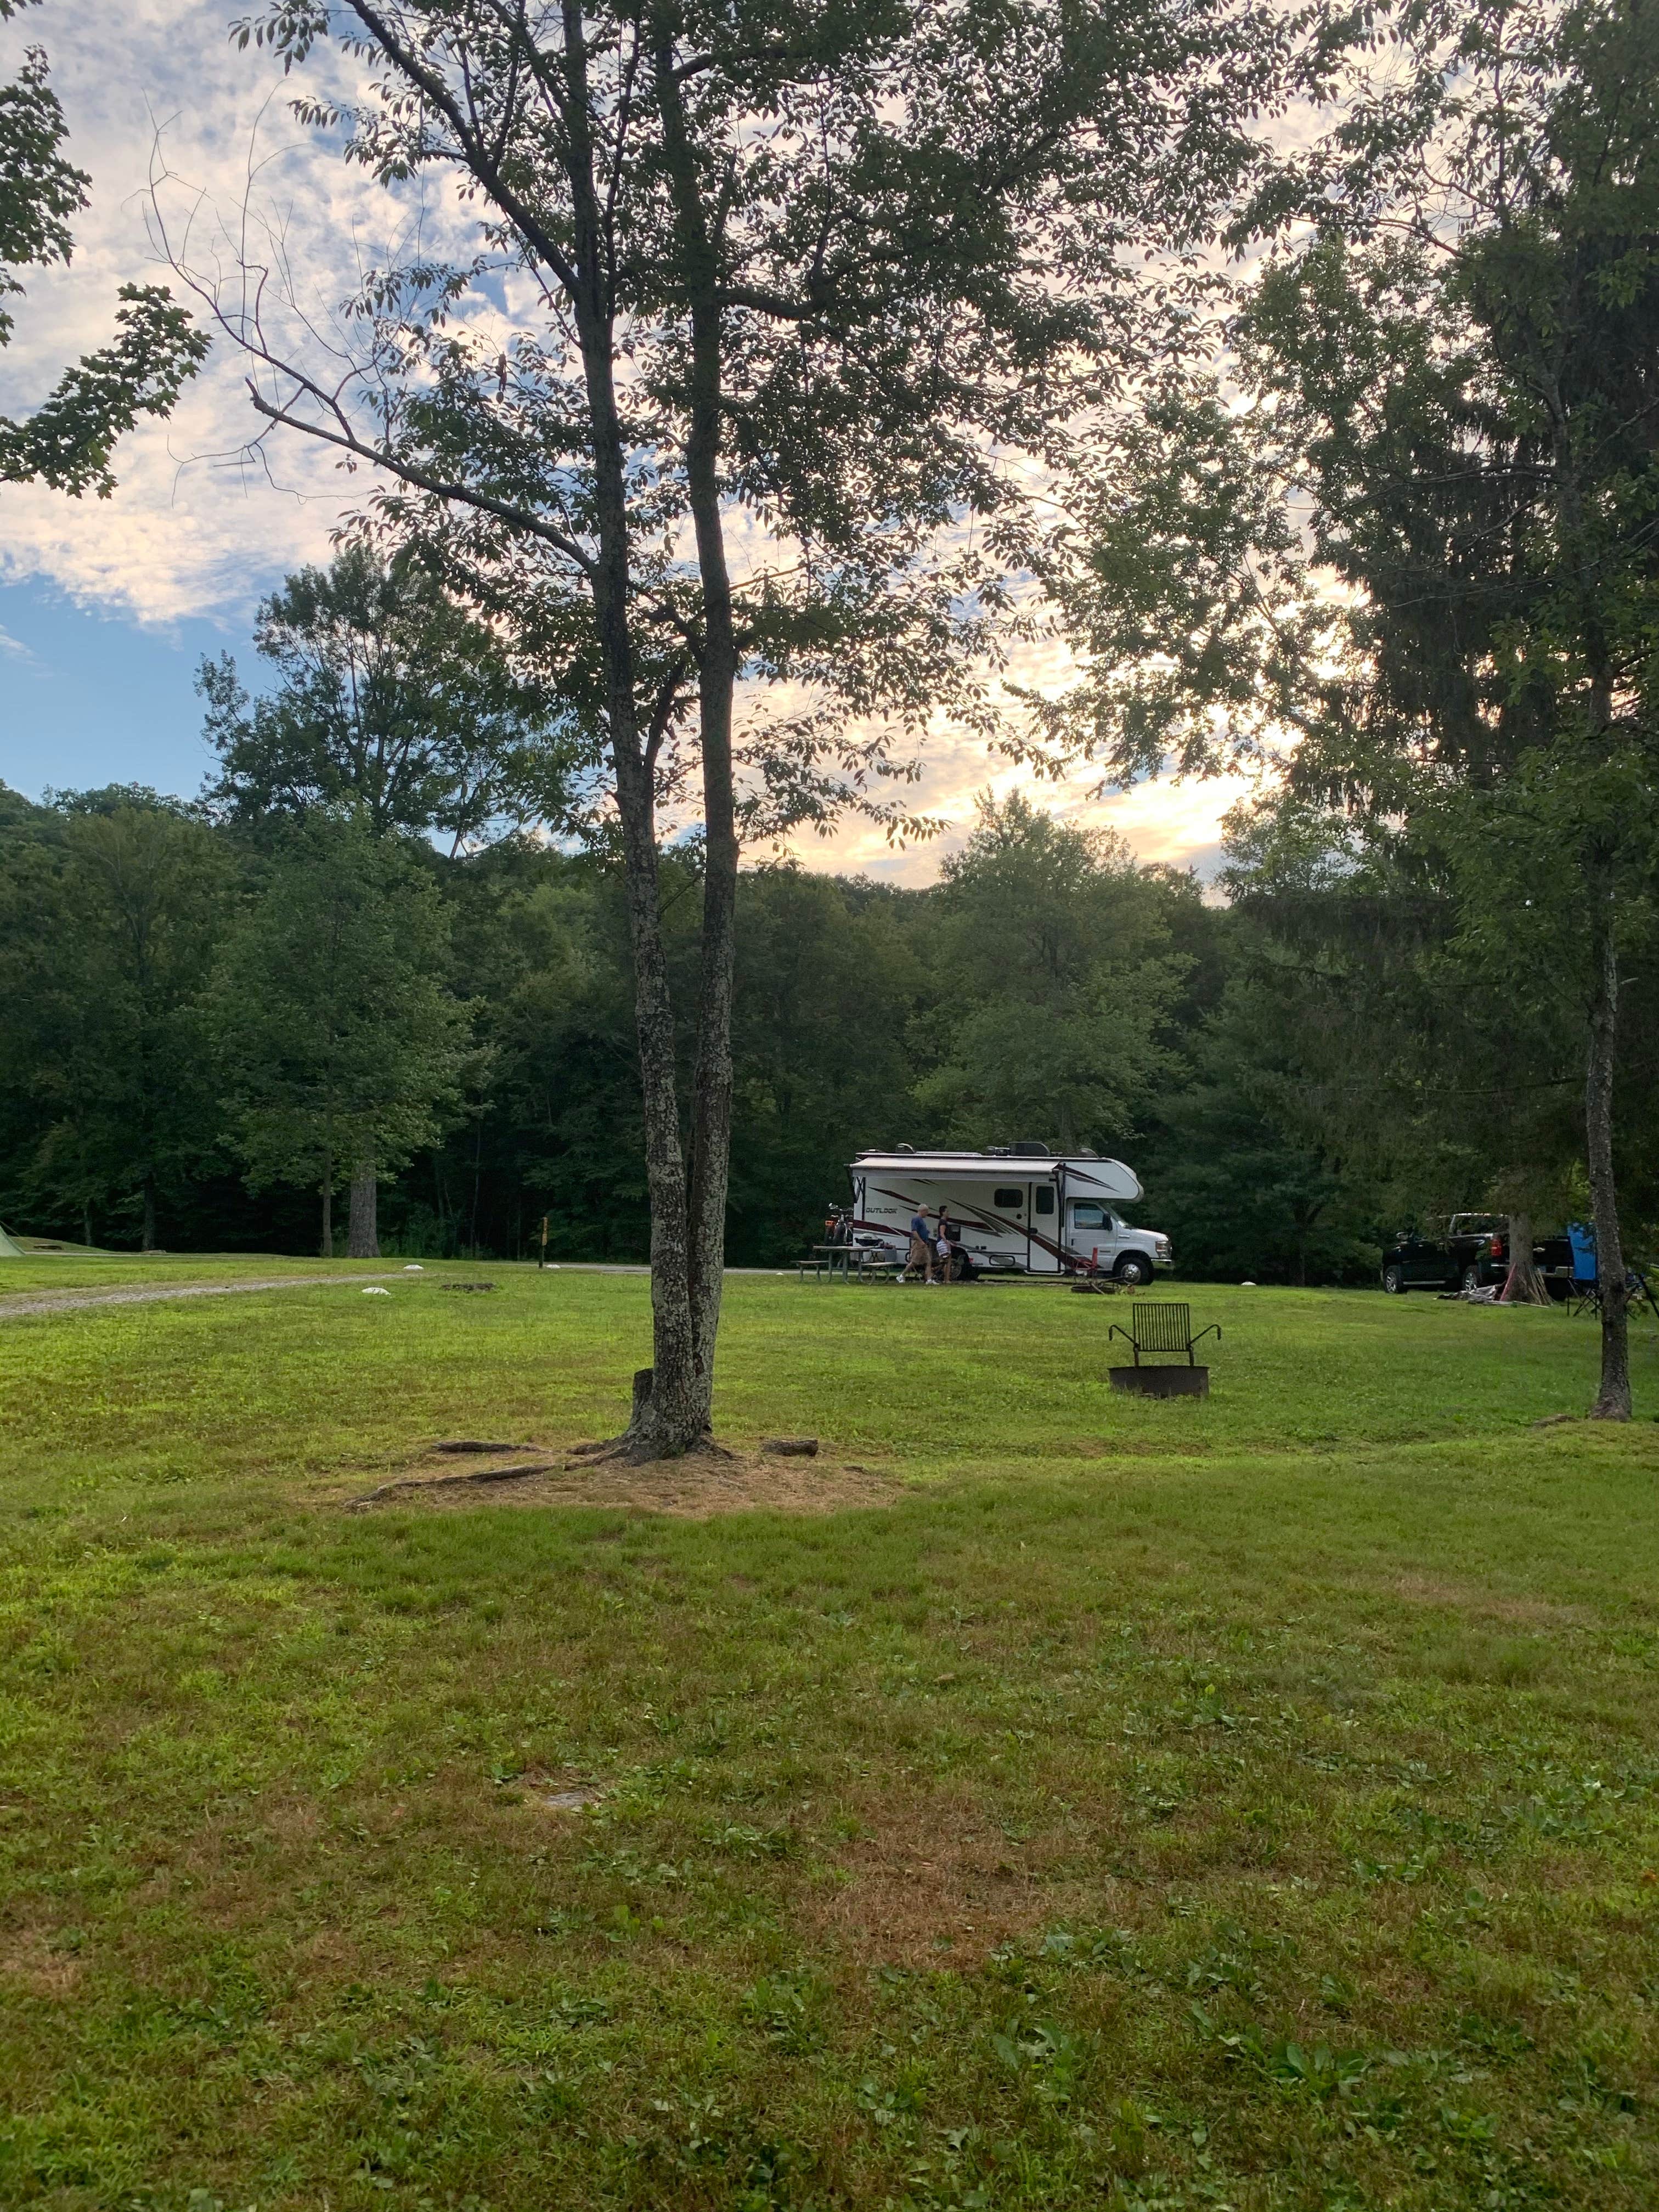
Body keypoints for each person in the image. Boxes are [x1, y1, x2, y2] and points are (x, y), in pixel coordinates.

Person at [906, 1207, 935, 1284]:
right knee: (915, 1262)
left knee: (928, 1261)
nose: (927, 1214)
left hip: (924, 1243)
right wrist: (921, 1241)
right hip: (918, 1243)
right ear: (922, 1211)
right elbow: (914, 1231)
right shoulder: (916, 1219)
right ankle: (902, 1276)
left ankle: (929, 1280)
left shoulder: (921, 1220)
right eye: (927, 1212)